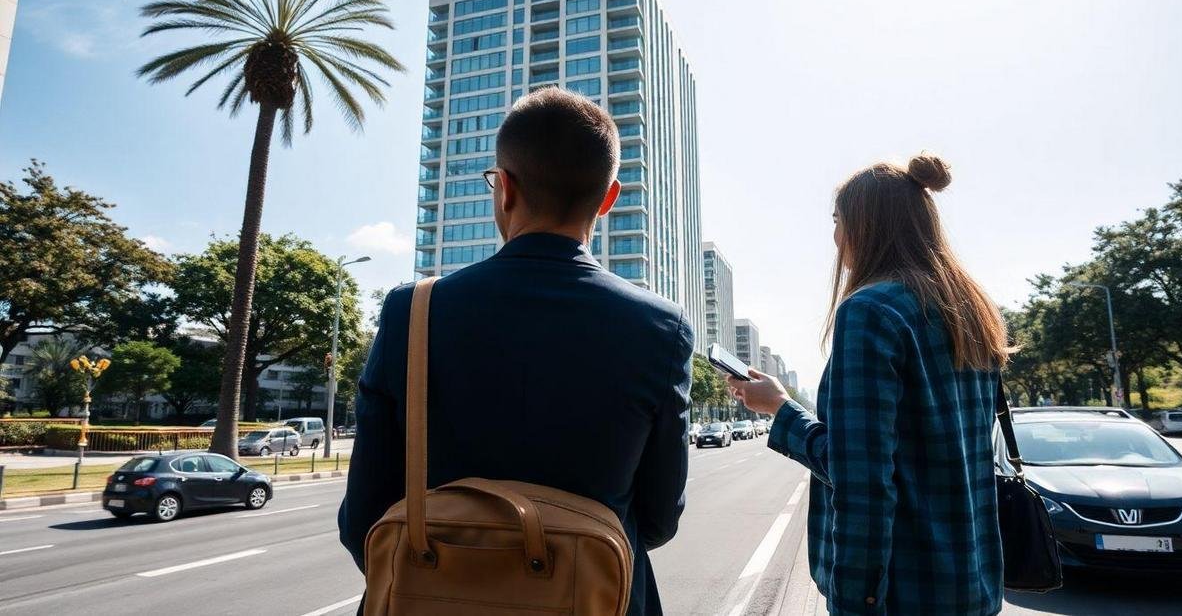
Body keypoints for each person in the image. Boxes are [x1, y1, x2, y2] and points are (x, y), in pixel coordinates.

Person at [338, 87, 694, 616]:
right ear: (608, 198)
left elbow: (363, 517)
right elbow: (660, 519)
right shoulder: (661, 328)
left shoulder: (411, 312)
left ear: (503, 188)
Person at [729, 154, 1008, 616]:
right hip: (970, 582)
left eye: (837, 221)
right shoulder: (976, 312)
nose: (834, 237)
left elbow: (860, 481)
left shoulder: (870, 311)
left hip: (903, 591)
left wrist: (781, 409)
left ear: (864, 225)